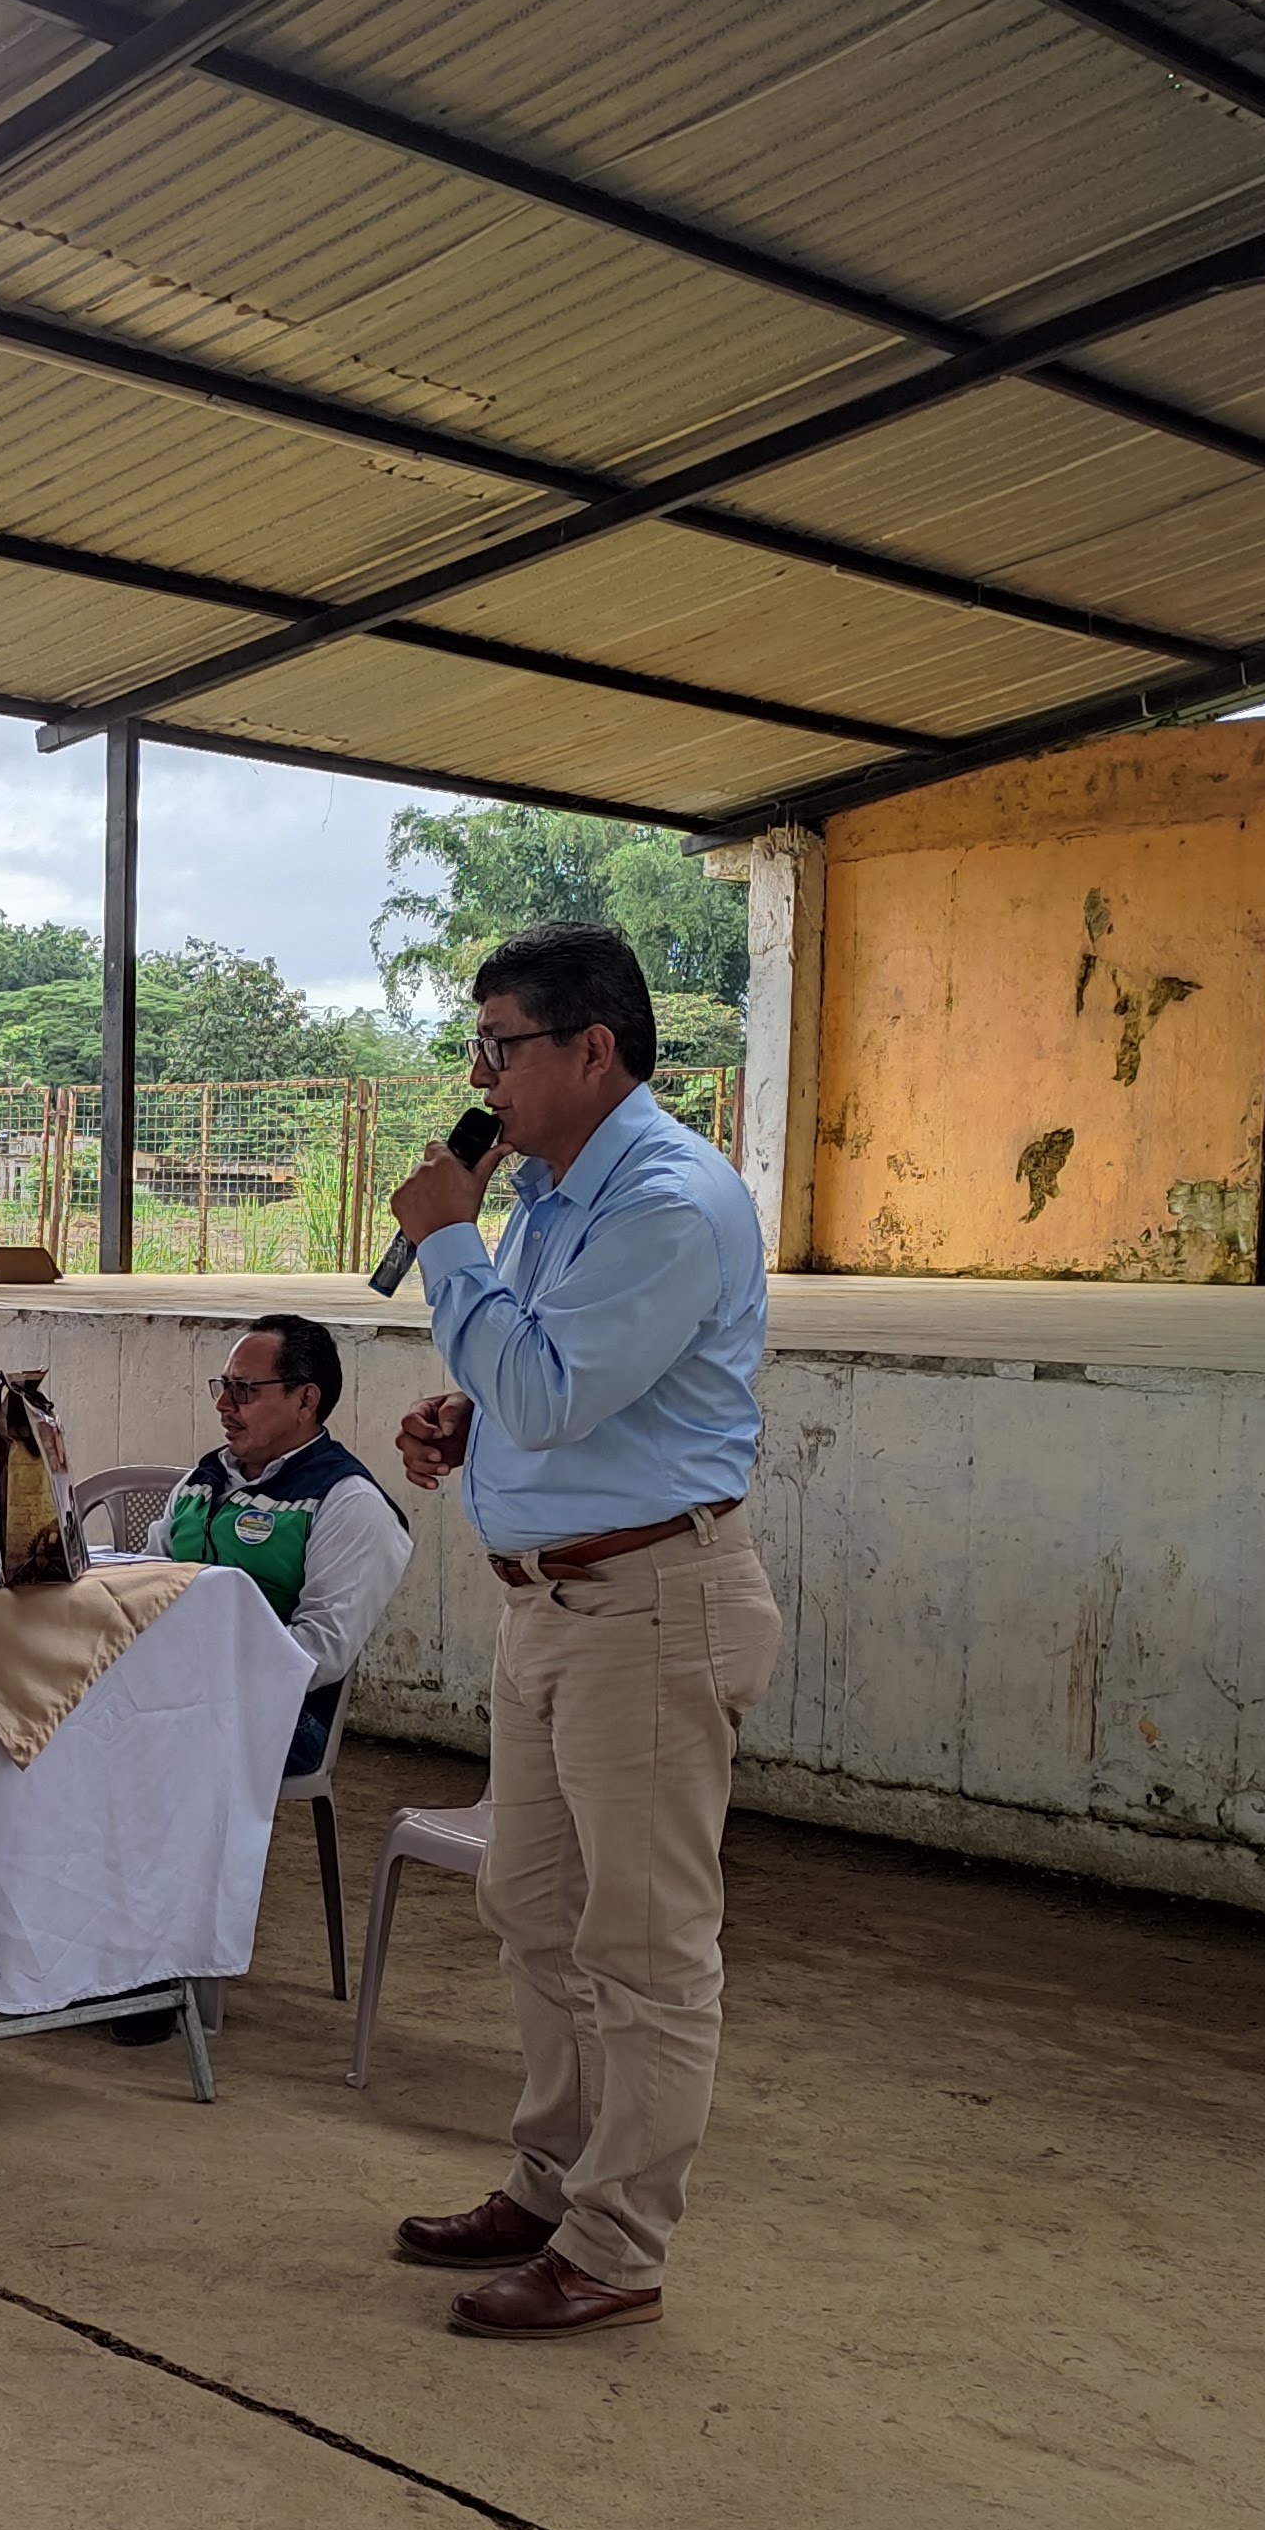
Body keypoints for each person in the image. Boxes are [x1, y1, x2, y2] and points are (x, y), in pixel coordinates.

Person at [380, 920, 781, 2342]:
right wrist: (468, 1420)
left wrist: (447, 1241)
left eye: (499, 1046)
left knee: (646, 1943)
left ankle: (616, 2244)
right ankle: (551, 2184)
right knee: (532, 1908)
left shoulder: (668, 1201)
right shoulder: (555, 1194)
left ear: (592, 1049)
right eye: (476, 1047)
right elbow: (550, 1386)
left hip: (652, 1610)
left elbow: (551, 1392)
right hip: (551, 1604)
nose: (478, 1078)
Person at [155, 1314, 412, 1783]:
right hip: (176, 1692)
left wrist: (195, 1670)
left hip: (287, 1716)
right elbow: (146, 1588)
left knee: (128, 1740)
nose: (223, 1405)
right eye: (223, 1386)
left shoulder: (347, 1502)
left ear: (306, 1400)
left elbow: (319, 1653)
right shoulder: (201, 1483)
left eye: (244, 1390)